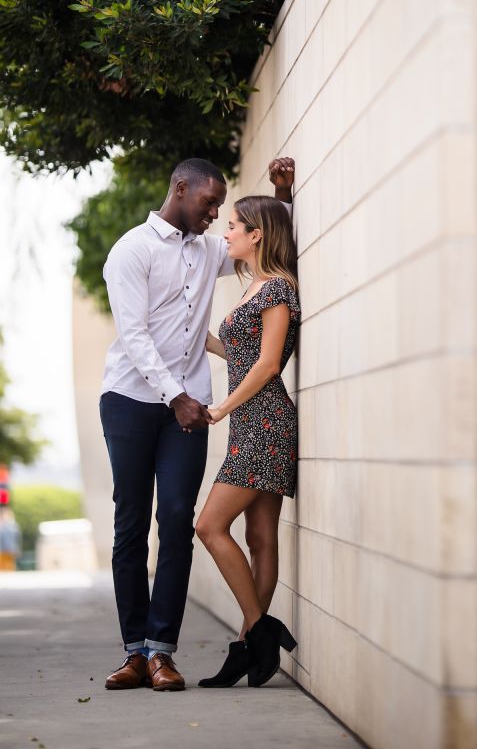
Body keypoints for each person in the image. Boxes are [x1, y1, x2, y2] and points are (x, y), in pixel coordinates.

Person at [100, 156, 294, 692]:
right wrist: (175, 394)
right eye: (209, 203)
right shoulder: (131, 251)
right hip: (131, 401)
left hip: (189, 408)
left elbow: (268, 243)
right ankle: (134, 652)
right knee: (131, 522)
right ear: (180, 189)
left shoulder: (209, 249)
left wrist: (282, 194)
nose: (215, 214)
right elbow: (134, 335)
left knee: (181, 518)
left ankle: (162, 652)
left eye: (220, 208)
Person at [195, 193, 300, 688]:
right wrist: (191, 333)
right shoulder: (254, 286)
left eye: (234, 225)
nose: (226, 232)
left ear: (257, 235)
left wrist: (221, 407)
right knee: (258, 540)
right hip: (251, 422)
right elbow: (237, 350)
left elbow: (268, 363)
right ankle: (248, 646)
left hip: (265, 423)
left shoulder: (278, 288)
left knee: (209, 526)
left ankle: (258, 631)